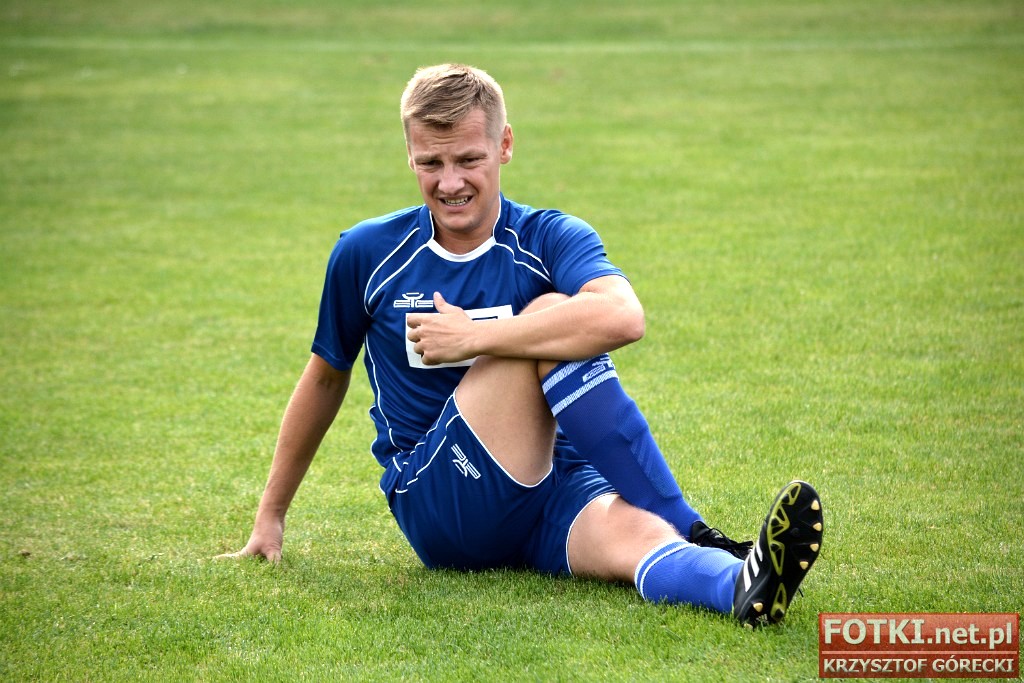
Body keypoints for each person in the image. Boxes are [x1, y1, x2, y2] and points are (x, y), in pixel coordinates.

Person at [220, 63, 823, 627]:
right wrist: (270, 516)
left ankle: (739, 585)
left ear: (505, 145)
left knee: (639, 537)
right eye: (430, 162)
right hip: (442, 502)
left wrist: (475, 336)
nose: (450, 182)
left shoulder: (550, 236)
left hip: (551, 485)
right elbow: (326, 376)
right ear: (409, 155)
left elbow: (624, 315)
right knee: (553, 312)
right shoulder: (367, 252)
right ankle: (692, 524)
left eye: (469, 159)